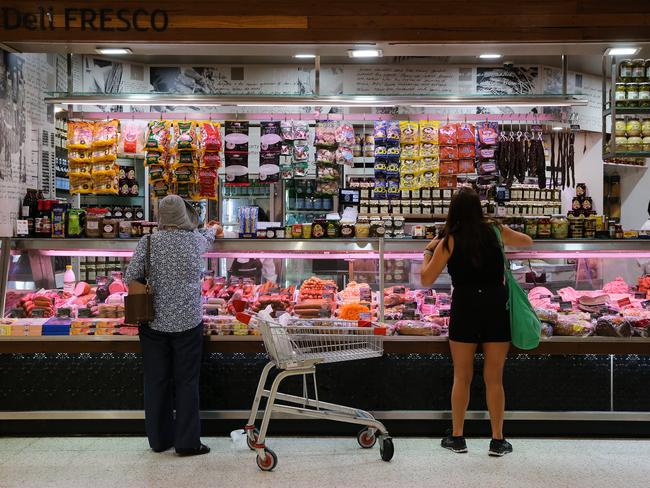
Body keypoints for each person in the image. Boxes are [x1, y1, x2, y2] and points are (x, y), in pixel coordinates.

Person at [420, 187, 532, 457]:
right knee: (494, 378)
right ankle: (497, 440)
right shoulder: (494, 230)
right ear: (479, 209)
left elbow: (426, 279)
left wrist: (428, 250)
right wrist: (502, 229)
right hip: (496, 305)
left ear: (453, 211)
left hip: (466, 306)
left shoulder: (449, 240)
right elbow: (527, 241)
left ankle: (457, 437)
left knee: (462, 376)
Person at [125, 195, 217, 456]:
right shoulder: (195, 240)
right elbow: (209, 237)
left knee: (156, 382)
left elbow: (131, 277)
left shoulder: (149, 241)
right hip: (188, 321)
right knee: (186, 382)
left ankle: (159, 440)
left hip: (153, 321)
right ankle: (188, 443)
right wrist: (213, 228)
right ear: (184, 214)